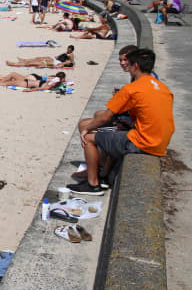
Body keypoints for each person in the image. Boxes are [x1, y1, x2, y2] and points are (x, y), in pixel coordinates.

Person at [68, 48, 174, 195]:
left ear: (135, 66)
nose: (126, 66)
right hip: (161, 142)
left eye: (128, 63)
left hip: (144, 142)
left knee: (88, 138)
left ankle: (93, 184)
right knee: (109, 131)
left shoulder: (132, 88)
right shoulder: (163, 88)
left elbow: (105, 117)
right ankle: (103, 172)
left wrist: (86, 130)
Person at [0, 71, 66, 91]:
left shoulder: (47, 86)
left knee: (7, 83)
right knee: (13, 74)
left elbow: (38, 89)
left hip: (25, 84)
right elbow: (58, 81)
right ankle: (0, 79)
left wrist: (29, 90)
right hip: (27, 80)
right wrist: (59, 81)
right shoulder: (49, 83)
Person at [6, 45, 75, 68]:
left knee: (34, 62)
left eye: (69, 50)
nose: (68, 50)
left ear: (72, 50)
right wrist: (52, 57)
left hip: (57, 62)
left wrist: (61, 64)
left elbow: (70, 63)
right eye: (67, 49)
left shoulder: (71, 55)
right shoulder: (66, 52)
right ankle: (24, 60)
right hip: (55, 59)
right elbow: (58, 56)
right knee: (38, 58)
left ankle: (14, 64)